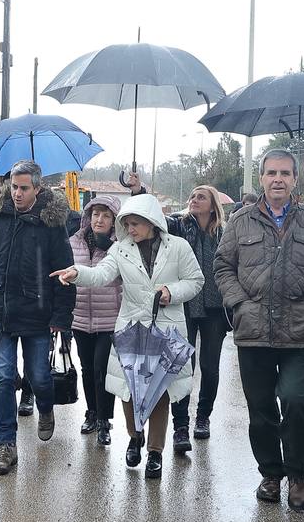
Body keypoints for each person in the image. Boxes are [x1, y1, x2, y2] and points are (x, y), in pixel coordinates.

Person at [214, 148, 304, 510]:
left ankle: (298, 474)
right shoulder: (240, 221)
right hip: (253, 332)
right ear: (261, 177)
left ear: (295, 179)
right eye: (271, 173)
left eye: (285, 173)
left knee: (296, 399)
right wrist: (238, 302)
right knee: (261, 408)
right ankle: (271, 473)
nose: (277, 180)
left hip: (301, 332)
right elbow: (223, 266)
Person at [52, 194, 205, 480]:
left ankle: (156, 452)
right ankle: (135, 437)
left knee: (160, 392)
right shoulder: (121, 250)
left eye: (135, 223)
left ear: (151, 222)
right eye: (127, 223)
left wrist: (172, 292)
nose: (130, 229)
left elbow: (196, 281)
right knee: (129, 389)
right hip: (131, 328)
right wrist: (77, 273)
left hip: (166, 328)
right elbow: (101, 275)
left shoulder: (179, 247)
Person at [0, 160, 76, 476]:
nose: (17, 193)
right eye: (14, 187)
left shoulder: (52, 224)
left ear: (37, 189)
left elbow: (65, 273)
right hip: (0, 311)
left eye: (24, 188)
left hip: (38, 313)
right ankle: (6, 445)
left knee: (40, 377)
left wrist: (61, 315)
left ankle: (45, 407)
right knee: (3, 377)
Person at [169, 185, 228, 453]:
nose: (194, 200)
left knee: (210, 366)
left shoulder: (225, 234)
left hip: (215, 309)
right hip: (184, 305)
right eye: (192, 196)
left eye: (200, 197)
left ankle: (203, 416)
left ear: (213, 204)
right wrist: (138, 190)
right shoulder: (180, 227)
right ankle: (180, 424)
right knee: (182, 366)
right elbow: (157, 224)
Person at [68, 196, 122, 447]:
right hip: (80, 318)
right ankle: (91, 412)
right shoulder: (74, 243)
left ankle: (104, 420)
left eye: (106, 215)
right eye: (95, 214)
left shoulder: (119, 247)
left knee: (102, 370)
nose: (99, 220)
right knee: (87, 369)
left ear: (114, 221)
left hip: (108, 319)